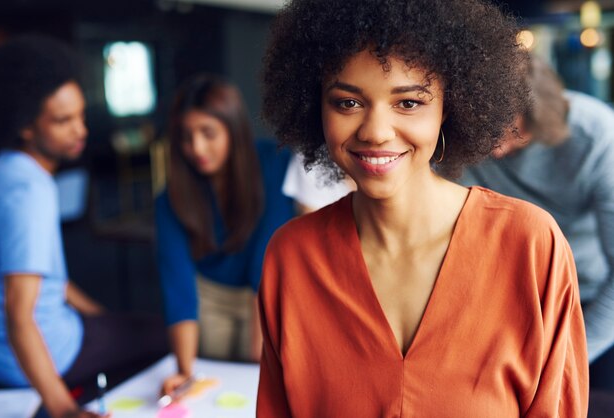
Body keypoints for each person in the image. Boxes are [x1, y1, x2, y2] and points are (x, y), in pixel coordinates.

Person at [257, 0, 589, 416]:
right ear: (314, 107)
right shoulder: (292, 257)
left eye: (409, 103)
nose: (376, 132)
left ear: (449, 106)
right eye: (347, 102)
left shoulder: (529, 245)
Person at [0, 35, 168, 418]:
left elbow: (46, 278)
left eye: (81, 116)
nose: (80, 130)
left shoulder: (1, 170)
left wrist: (99, 316)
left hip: (0, 350)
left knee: (118, 326)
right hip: (39, 354)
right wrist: (63, 409)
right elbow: (20, 314)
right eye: (62, 120)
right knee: (165, 333)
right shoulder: (29, 191)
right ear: (24, 126)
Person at [461, 56, 614, 388]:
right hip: (505, 301)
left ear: (538, 115)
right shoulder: (465, 143)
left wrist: (565, 355)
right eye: (484, 131)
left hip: (587, 297)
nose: (495, 150)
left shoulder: (598, 136)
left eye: (511, 131)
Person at [155, 74, 295, 397]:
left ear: (232, 129)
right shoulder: (170, 197)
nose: (197, 148)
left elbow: (266, 264)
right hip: (209, 295)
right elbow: (178, 288)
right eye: (186, 137)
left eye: (208, 133)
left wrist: (260, 365)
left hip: (261, 291)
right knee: (213, 387)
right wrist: (184, 373)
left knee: (261, 382)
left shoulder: (274, 163)